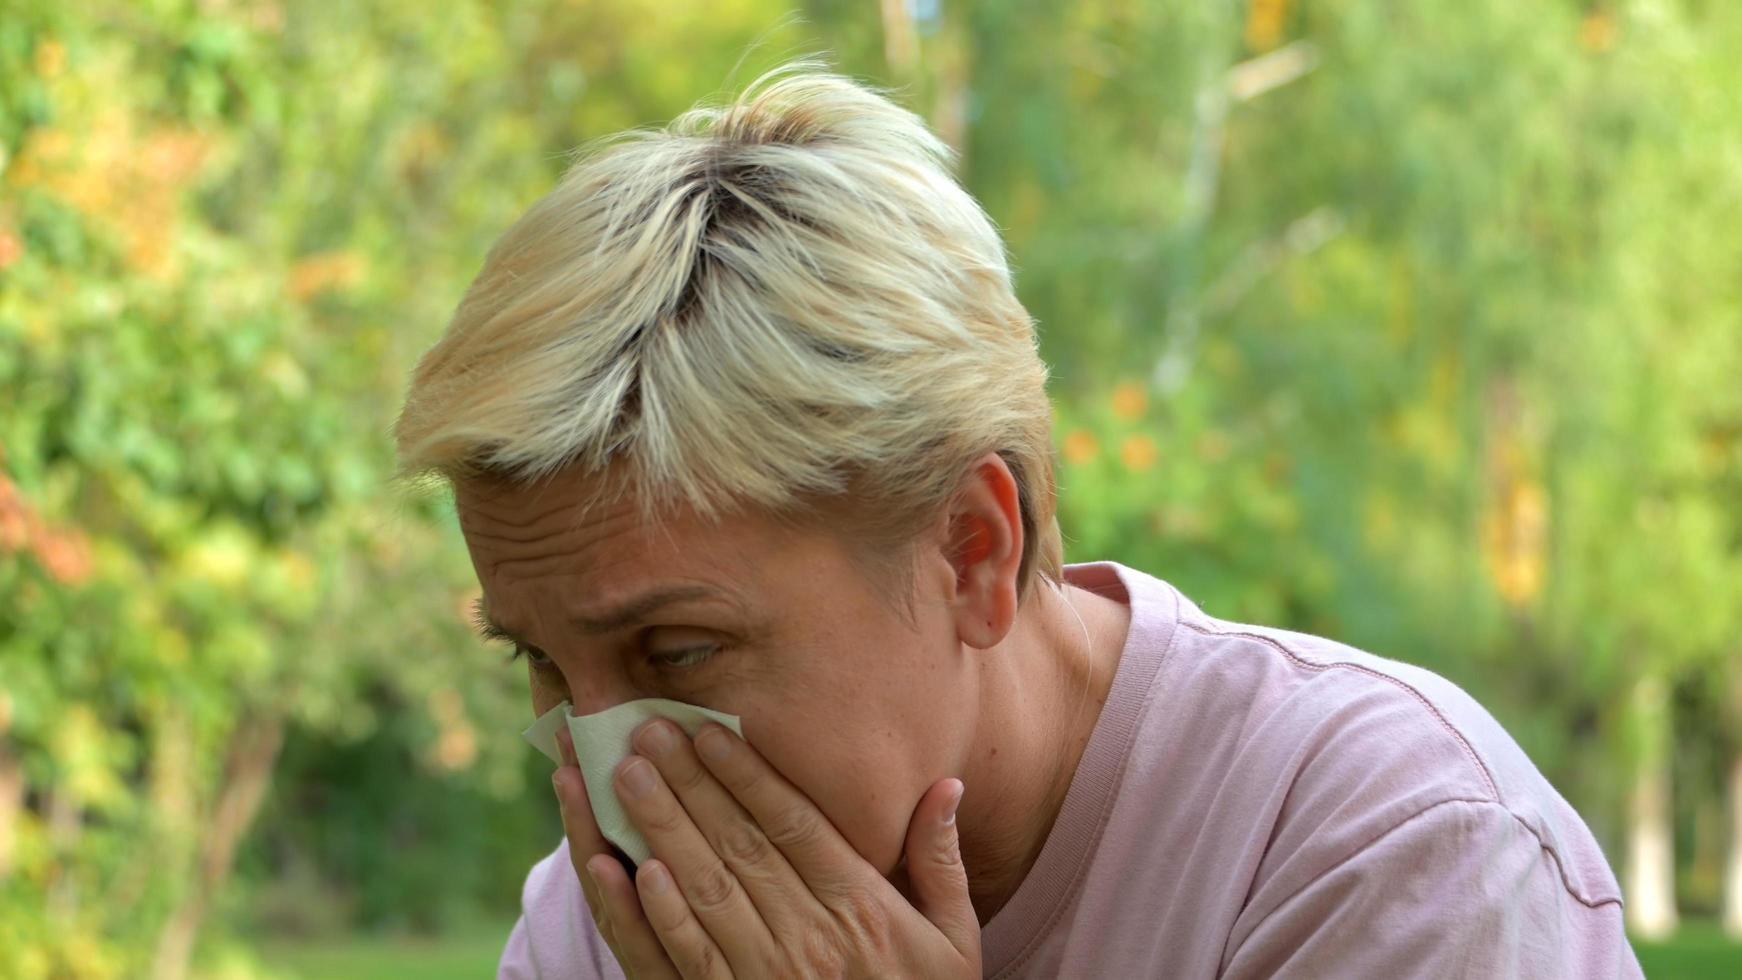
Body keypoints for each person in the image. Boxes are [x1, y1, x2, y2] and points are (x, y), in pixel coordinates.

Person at [393, 60, 1643, 979]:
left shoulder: (1390, 851)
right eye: (544, 665)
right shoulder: (626, 912)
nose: (609, 776)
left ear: (972, 549)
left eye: (678, 651)